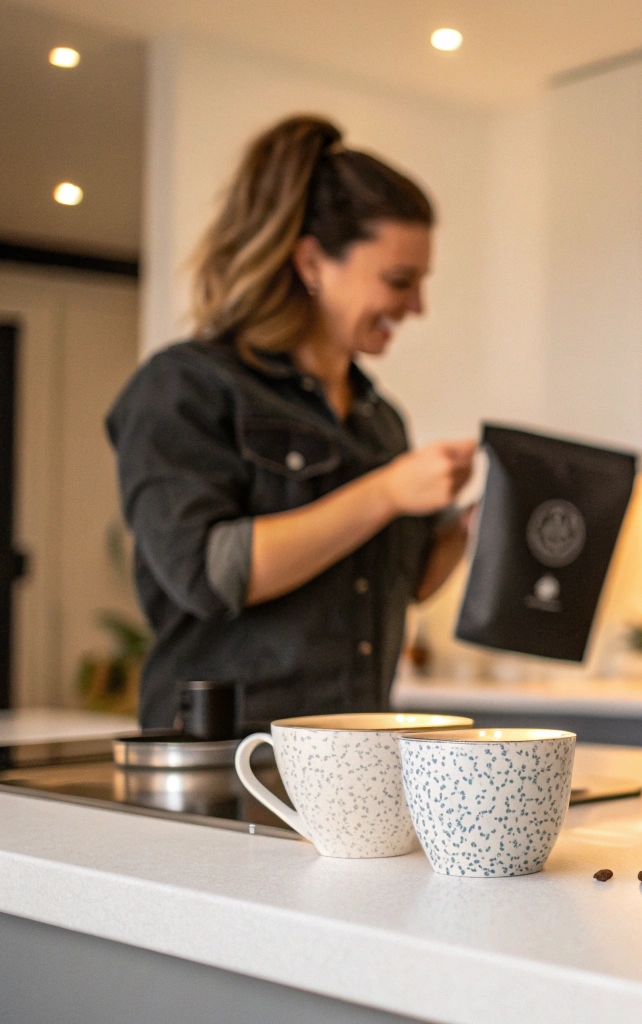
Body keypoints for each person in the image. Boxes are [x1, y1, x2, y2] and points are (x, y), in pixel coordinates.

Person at [107, 114, 476, 729]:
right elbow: (208, 571)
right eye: (399, 280)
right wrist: (386, 492)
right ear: (312, 263)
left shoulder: (380, 419)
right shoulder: (185, 386)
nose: (417, 306)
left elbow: (403, 586)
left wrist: (468, 529)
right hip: (226, 763)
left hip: (353, 770)